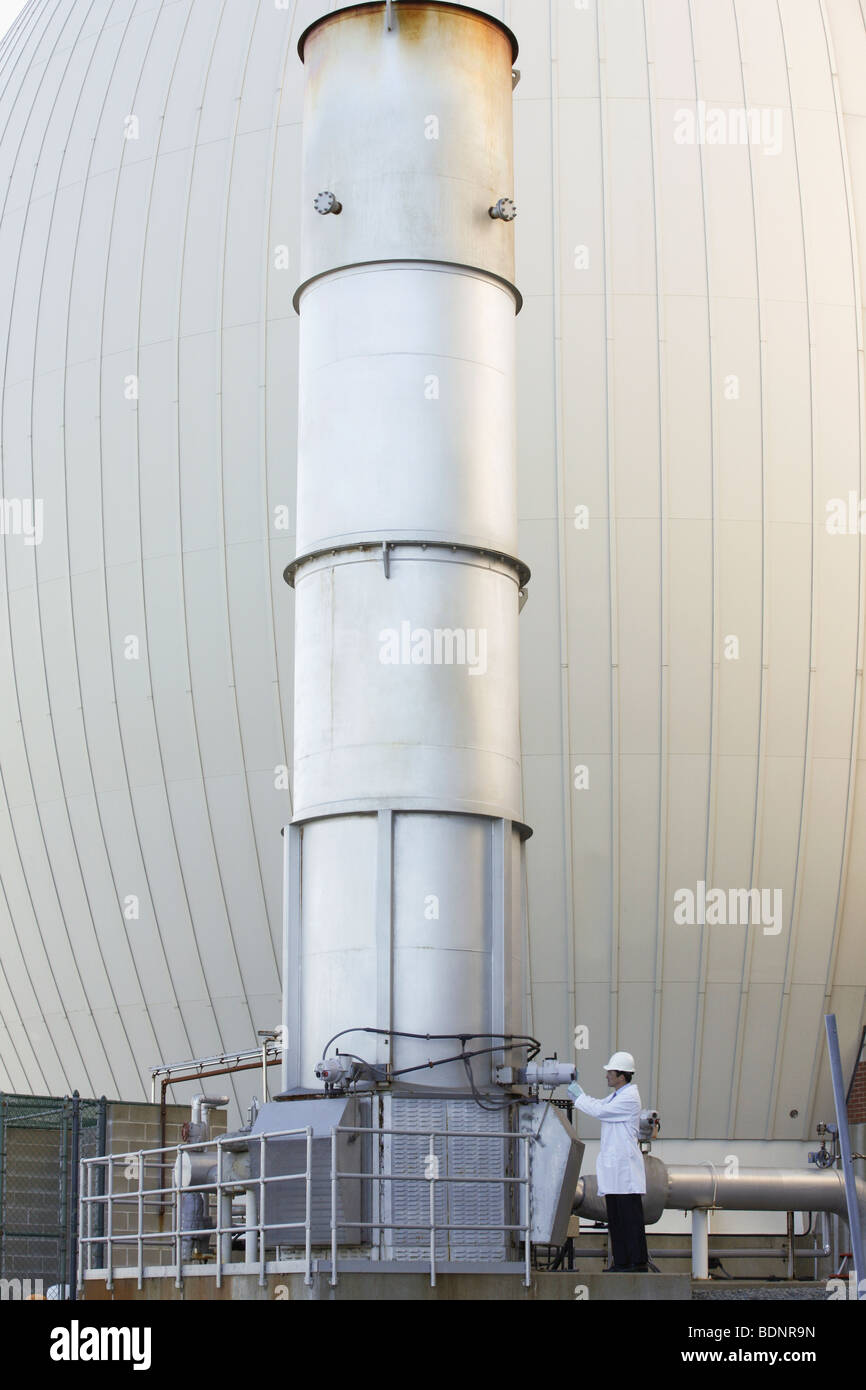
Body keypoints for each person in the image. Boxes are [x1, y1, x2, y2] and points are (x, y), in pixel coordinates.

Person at [569, 1051, 649, 1272]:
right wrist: (581, 1095)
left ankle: (637, 1262)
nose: (607, 1076)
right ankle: (623, 1261)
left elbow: (600, 1110)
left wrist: (578, 1097)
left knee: (629, 1218)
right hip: (615, 1171)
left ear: (621, 1075)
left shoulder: (629, 1097)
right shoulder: (618, 1095)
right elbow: (598, 1104)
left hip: (625, 1171)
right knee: (616, 1218)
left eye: (610, 1072)